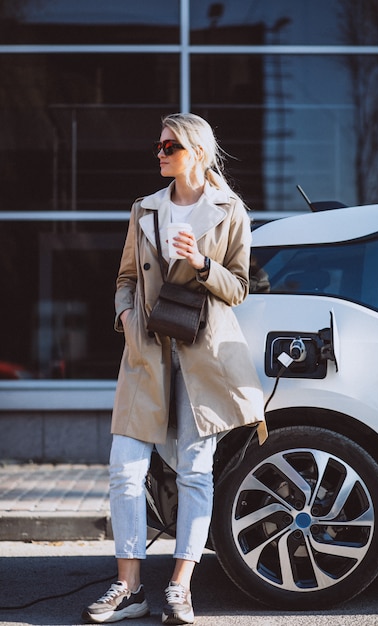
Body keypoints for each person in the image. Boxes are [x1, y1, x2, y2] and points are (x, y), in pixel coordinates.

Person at [82, 112, 267, 625]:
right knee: (125, 468)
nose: (160, 154)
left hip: (202, 356)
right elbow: (125, 277)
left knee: (195, 473)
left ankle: (180, 588)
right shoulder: (145, 209)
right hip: (147, 354)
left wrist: (204, 266)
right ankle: (129, 585)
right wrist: (126, 314)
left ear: (197, 153)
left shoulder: (229, 211)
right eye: (159, 146)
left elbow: (239, 288)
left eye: (170, 147)